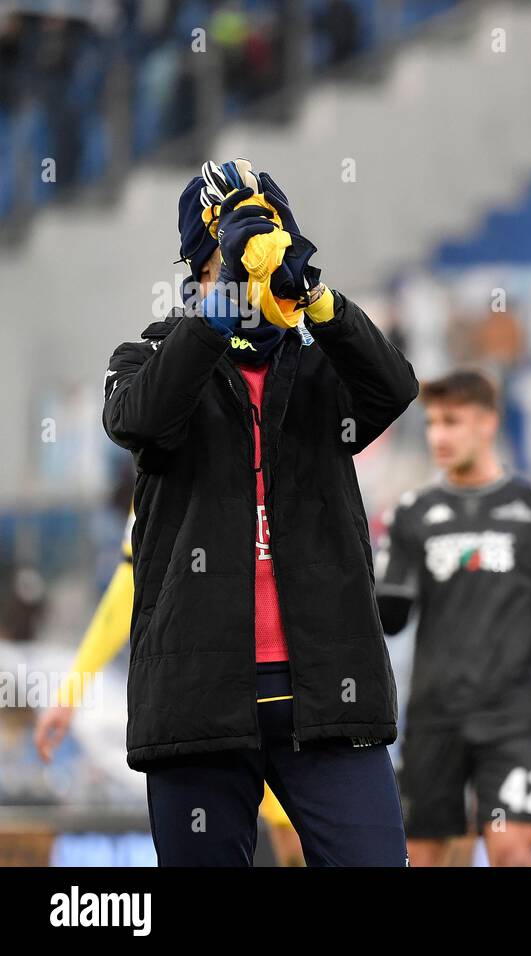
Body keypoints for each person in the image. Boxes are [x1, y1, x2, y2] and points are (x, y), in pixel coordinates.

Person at [100, 158, 418, 866]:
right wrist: (222, 306)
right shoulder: (147, 357)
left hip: (329, 695)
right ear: (199, 263)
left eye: (268, 241)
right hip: (199, 701)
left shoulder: (318, 367)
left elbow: (392, 388)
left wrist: (319, 298)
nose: (252, 266)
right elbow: (142, 422)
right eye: (235, 251)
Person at [376, 370, 531, 867]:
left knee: (511, 850)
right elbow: (389, 617)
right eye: (432, 423)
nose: (438, 435)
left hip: (512, 719)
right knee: (425, 854)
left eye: (451, 422)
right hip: (434, 717)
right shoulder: (412, 513)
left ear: (486, 423)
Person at [34, 511, 306, 865]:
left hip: (287, 685)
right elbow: (129, 582)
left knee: (293, 837)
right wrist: (71, 692)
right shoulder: (156, 470)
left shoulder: (283, 462)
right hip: (205, 698)